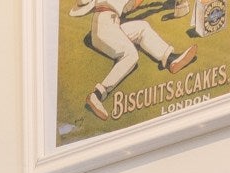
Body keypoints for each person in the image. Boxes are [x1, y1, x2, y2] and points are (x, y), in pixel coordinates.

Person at [71, 0, 201, 122]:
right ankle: (97, 95)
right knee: (131, 54)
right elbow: (134, 3)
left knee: (142, 27)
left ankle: (171, 59)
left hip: (112, 24)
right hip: (104, 26)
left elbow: (130, 6)